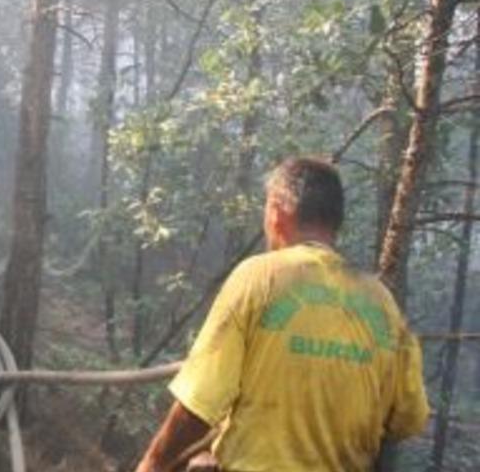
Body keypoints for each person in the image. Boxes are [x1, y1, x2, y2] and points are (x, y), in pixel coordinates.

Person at [135, 158, 429, 471]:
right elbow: (409, 419)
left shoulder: (258, 278)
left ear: (276, 212)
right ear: (334, 221)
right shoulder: (382, 301)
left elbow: (199, 404)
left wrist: (151, 465)